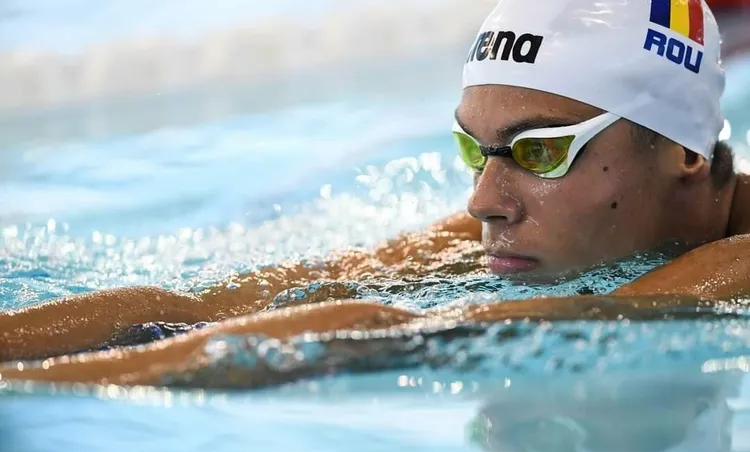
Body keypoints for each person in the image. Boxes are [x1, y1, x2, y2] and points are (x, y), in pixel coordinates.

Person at [2, 0, 750, 386]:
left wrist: (48, 388)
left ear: (683, 149)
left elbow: (390, 331)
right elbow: (215, 308)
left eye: (541, 153)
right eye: (475, 149)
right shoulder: (540, 227)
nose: (483, 201)